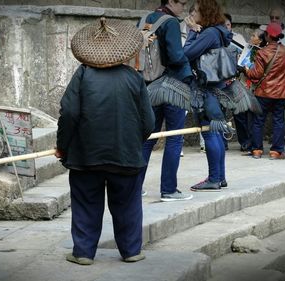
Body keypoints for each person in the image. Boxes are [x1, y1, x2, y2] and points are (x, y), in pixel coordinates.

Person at [56, 18, 155, 265]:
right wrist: (133, 141)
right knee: (128, 204)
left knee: (86, 203)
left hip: (86, 156)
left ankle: (83, 253)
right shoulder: (133, 78)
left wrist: (63, 145)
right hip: (126, 155)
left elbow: (69, 113)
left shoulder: (82, 75)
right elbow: (148, 122)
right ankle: (132, 250)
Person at [136, 0, 194, 202]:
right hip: (172, 86)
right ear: (170, 2)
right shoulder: (170, 22)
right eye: (182, 2)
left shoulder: (144, 20)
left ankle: (135, 187)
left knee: (147, 138)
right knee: (174, 137)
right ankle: (168, 189)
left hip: (149, 86)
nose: (184, 7)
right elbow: (176, 56)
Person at [184, 0, 232, 191]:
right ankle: (220, 177)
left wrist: (191, 31)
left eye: (195, 11)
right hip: (218, 86)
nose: (193, 14)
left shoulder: (209, 33)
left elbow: (186, 53)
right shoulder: (219, 31)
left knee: (210, 132)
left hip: (207, 88)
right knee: (216, 132)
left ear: (204, 12)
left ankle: (213, 179)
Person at [243, 22, 285, 160]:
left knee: (258, 121)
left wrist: (246, 70)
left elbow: (256, 75)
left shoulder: (262, 52)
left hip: (264, 92)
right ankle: (276, 152)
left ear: (267, 36)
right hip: (282, 92)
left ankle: (256, 150)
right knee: (278, 120)